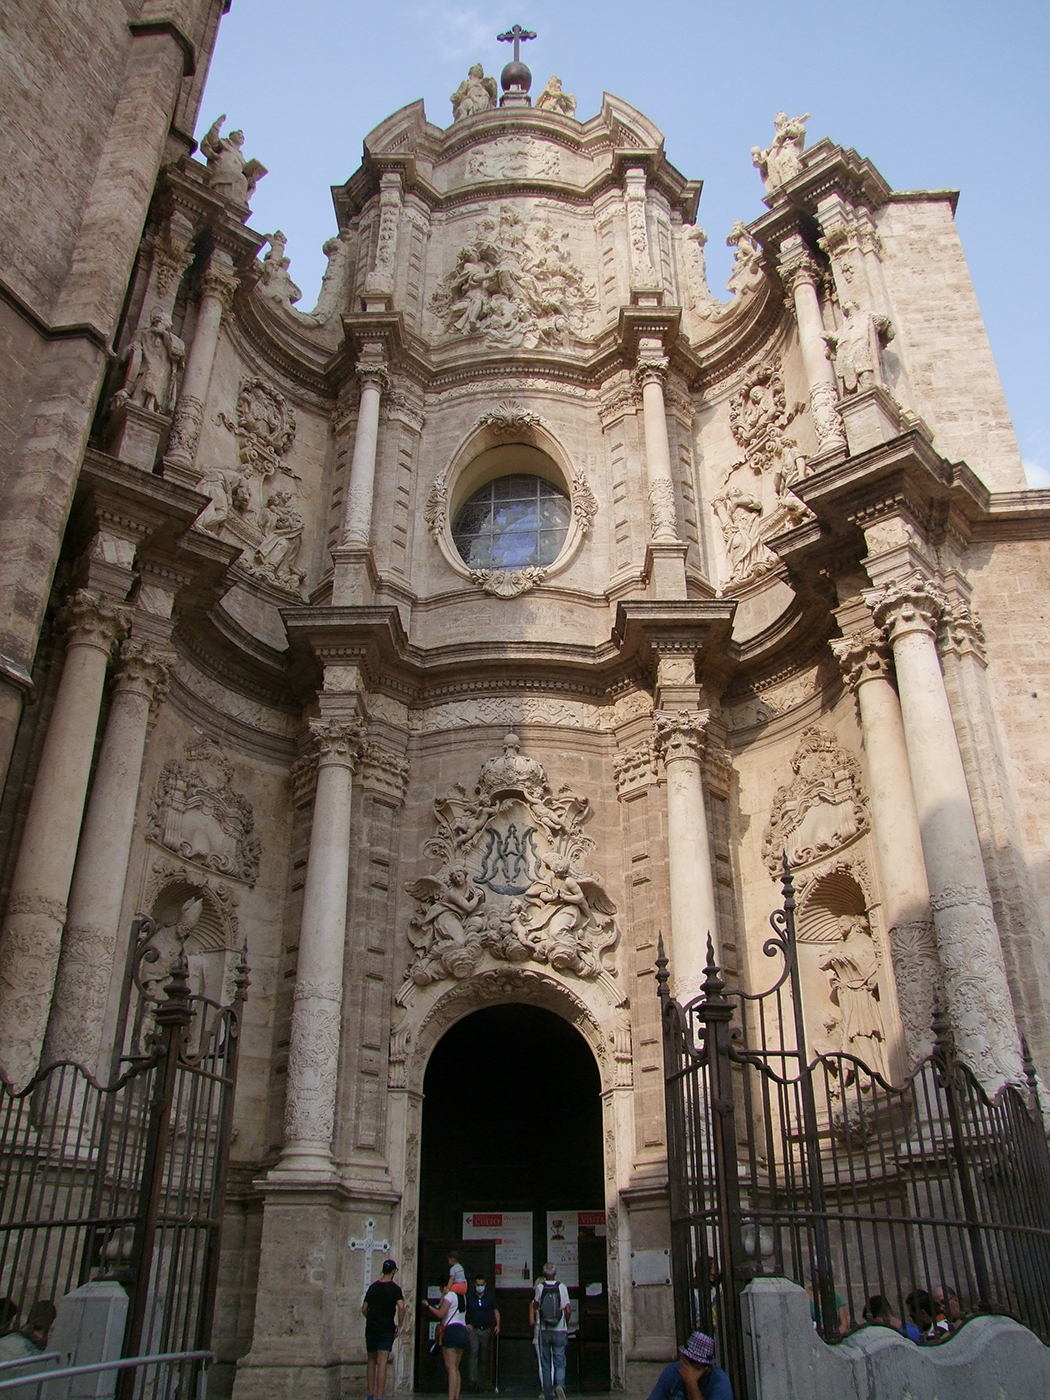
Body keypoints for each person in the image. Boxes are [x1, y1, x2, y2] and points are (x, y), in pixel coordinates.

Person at [645, 1329, 733, 1400]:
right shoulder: (672, 1371)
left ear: (707, 1368)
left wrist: (692, 1384)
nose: (688, 1366)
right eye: (687, 1359)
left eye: (694, 1362)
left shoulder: (720, 1382)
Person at [361, 1259, 405, 1400]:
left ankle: (370, 1395)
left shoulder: (373, 1287)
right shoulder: (395, 1289)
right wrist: (400, 1323)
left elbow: (364, 1308)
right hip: (386, 1328)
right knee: (382, 1362)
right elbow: (402, 1307)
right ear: (393, 1272)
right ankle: (380, 1396)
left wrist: (371, 1317)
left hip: (372, 1327)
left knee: (371, 1361)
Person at [530, 1261, 570, 1400]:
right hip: (560, 1329)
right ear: (555, 1273)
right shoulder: (562, 1287)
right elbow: (568, 1309)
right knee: (559, 1360)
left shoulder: (540, 1287)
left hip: (544, 1329)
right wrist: (566, 1322)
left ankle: (547, 1392)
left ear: (543, 1274)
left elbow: (535, 1305)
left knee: (545, 1362)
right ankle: (559, 1385)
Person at [426, 1280, 469, 1400]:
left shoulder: (450, 1296)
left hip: (452, 1331)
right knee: (456, 1367)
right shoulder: (462, 1297)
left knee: (450, 1368)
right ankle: (456, 1396)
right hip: (463, 1331)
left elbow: (440, 1313)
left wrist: (428, 1306)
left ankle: (450, 1398)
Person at [465, 1273, 500, 1392]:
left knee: (484, 1355)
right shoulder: (469, 1297)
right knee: (474, 1351)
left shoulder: (490, 1297)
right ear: (475, 1284)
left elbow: (496, 1311)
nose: (480, 1287)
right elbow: (463, 1310)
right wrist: (466, 1323)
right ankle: (472, 1380)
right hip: (473, 1329)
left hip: (486, 1329)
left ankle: (482, 1381)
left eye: (482, 1284)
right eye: (478, 1284)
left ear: (485, 1284)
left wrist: (498, 1325)